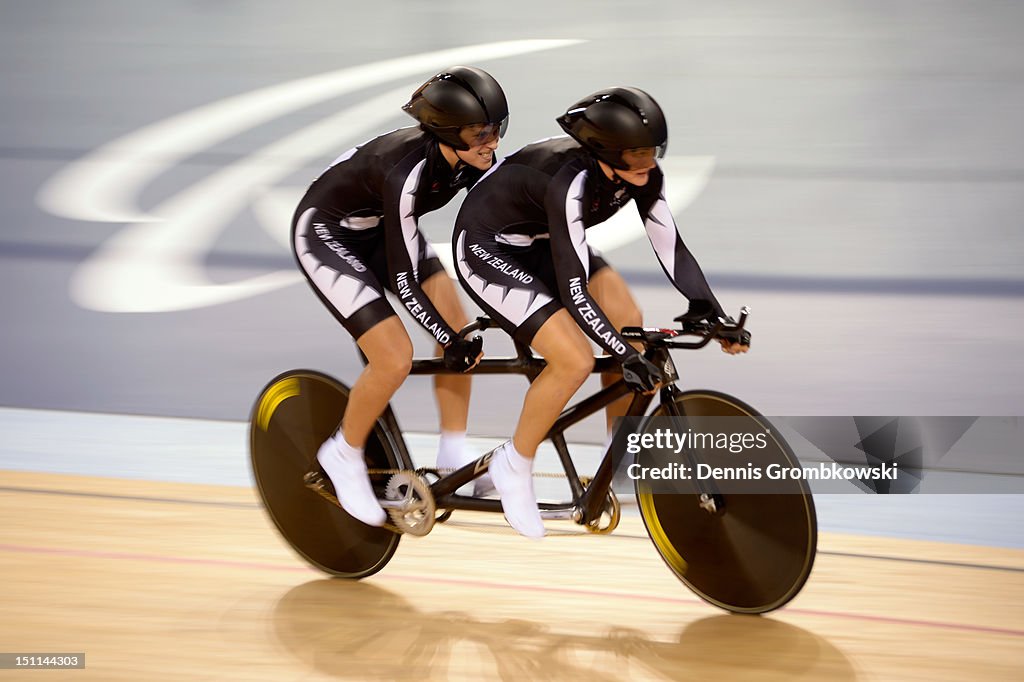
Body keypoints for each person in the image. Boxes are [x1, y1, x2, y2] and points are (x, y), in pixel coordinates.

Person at [452, 87, 749, 537]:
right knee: (575, 359)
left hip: (542, 245)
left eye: (653, 150)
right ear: (606, 153)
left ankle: (618, 457)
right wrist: (619, 354)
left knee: (634, 325)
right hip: (488, 248)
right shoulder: (568, 181)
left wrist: (712, 312)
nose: (648, 162)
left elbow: (671, 247)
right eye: (637, 154)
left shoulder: (643, 174)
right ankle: (515, 461)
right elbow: (574, 288)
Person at [292, 66, 508, 527]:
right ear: (447, 134)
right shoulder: (405, 170)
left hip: (378, 231)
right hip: (327, 235)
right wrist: (446, 340)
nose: (490, 141)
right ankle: (343, 452)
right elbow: (407, 281)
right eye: (478, 133)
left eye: (496, 128)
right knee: (394, 357)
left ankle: (452, 453)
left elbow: (497, 226)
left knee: (458, 318)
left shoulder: (470, 157)